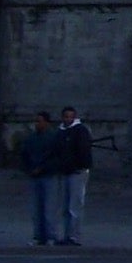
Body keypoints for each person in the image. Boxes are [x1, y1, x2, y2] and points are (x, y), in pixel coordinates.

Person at [17, 111, 60, 246]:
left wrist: (41, 168)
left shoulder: (53, 137)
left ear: (47, 122)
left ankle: (50, 235)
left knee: (48, 208)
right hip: (35, 175)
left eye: (40, 121)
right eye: (36, 121)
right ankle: (39, 236)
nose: (37, 124)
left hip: (48, 175)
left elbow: (54, 157)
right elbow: (24, 155)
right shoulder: (32, 138)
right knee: (36, 209)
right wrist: (29, 169)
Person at [55, 105, 93, 245]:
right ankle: (67, 235)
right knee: (65, 206)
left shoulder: (80, 130)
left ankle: (74, 236)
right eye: (66, 117)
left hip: (77, 171)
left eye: (71, 117)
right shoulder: (61, 131)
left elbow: (83, 151)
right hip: (65, 172)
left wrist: (81, 166)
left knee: (75, 206)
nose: (68, 119)